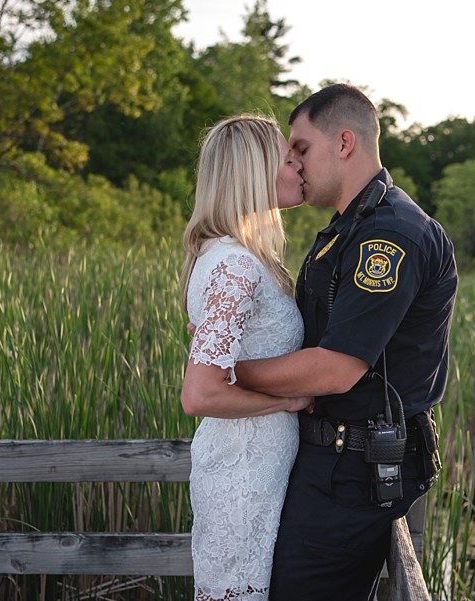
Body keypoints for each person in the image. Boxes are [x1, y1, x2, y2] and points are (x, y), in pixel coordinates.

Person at [233, 84, 459, 600]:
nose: (293, 163)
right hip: (332, 461)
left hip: (353, 472)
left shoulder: (390, 233)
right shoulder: (348, 227)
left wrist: (231, 369)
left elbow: (337, 369)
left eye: (301, 148)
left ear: (344, 143)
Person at [179, 115, 312, 601]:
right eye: (286, 157)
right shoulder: (234, 264)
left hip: (257, 470)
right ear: (255, 173)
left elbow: (225, 359)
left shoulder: (237, 257)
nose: (298, 165)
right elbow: (200, 393)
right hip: (242, 477)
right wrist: (285, 402)